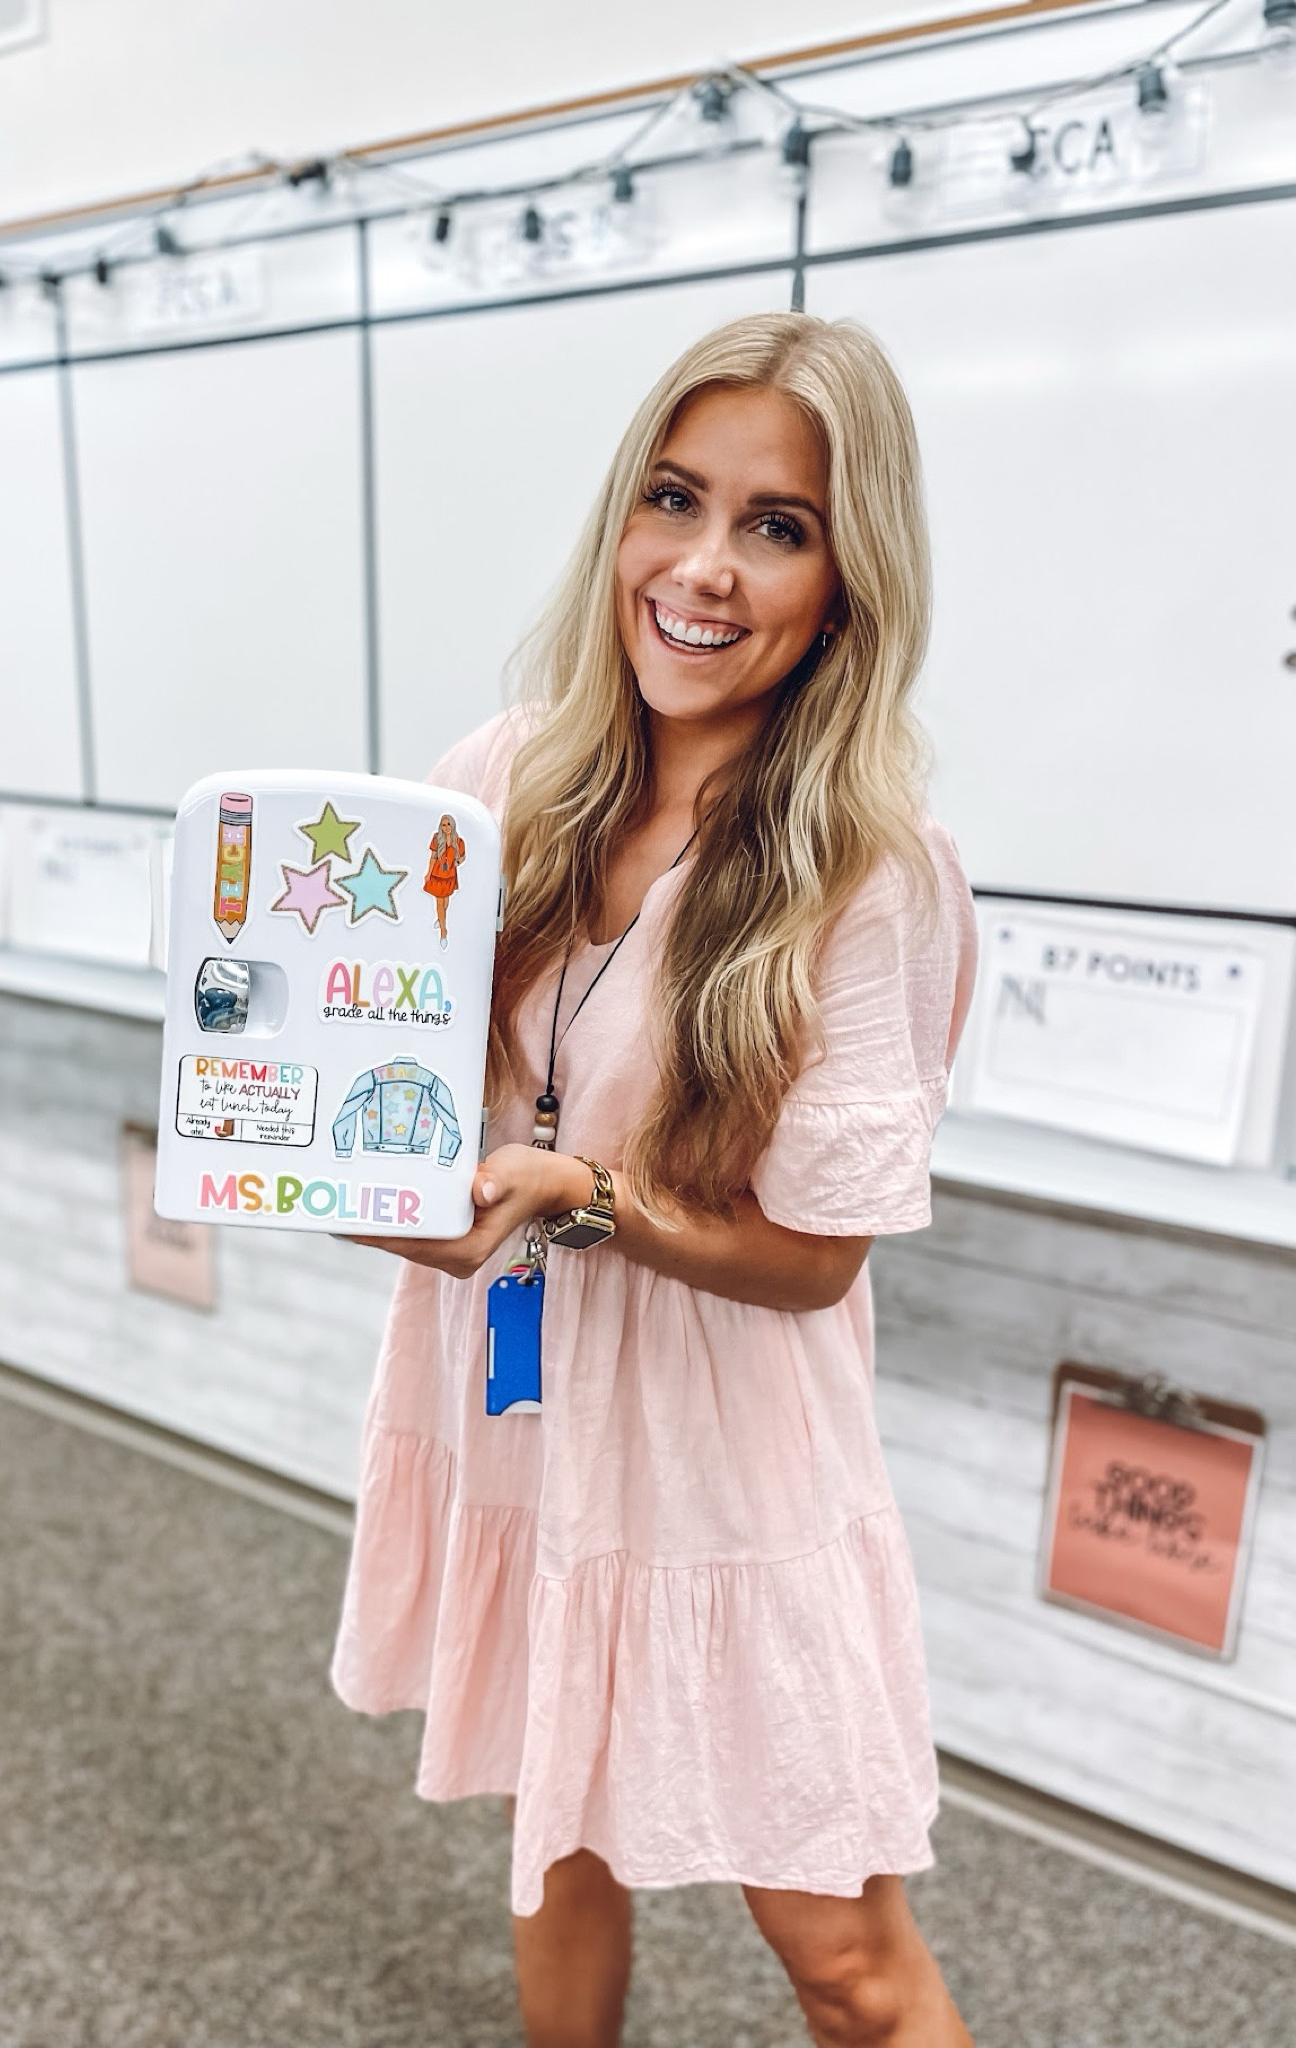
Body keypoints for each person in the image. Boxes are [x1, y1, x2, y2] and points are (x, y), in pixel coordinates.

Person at [334, 311, 979, 2048]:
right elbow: (403, 1083)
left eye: (775, 525)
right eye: (672, 499)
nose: (702, 568)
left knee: (842, 1959)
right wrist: (351, 1164)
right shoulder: (504, 776)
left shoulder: (868, 866)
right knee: (558, 1840)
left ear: (847, 579)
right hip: (518, 1396)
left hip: (723, 1457)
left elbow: (815, 1261)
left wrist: (583, 1195)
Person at [424, 812, 466, 946]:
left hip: (450, 876)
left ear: (452, 825)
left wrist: (457, 862)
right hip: (437, 875)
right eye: (443, 825)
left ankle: (440, 919)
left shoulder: (459, 841)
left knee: (446, 903)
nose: (446, 827)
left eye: (448, 824)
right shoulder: (437, 838)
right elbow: (433, 857)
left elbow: (463, 856)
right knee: (440, 903)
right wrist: (428, 874)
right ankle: (443, 931)